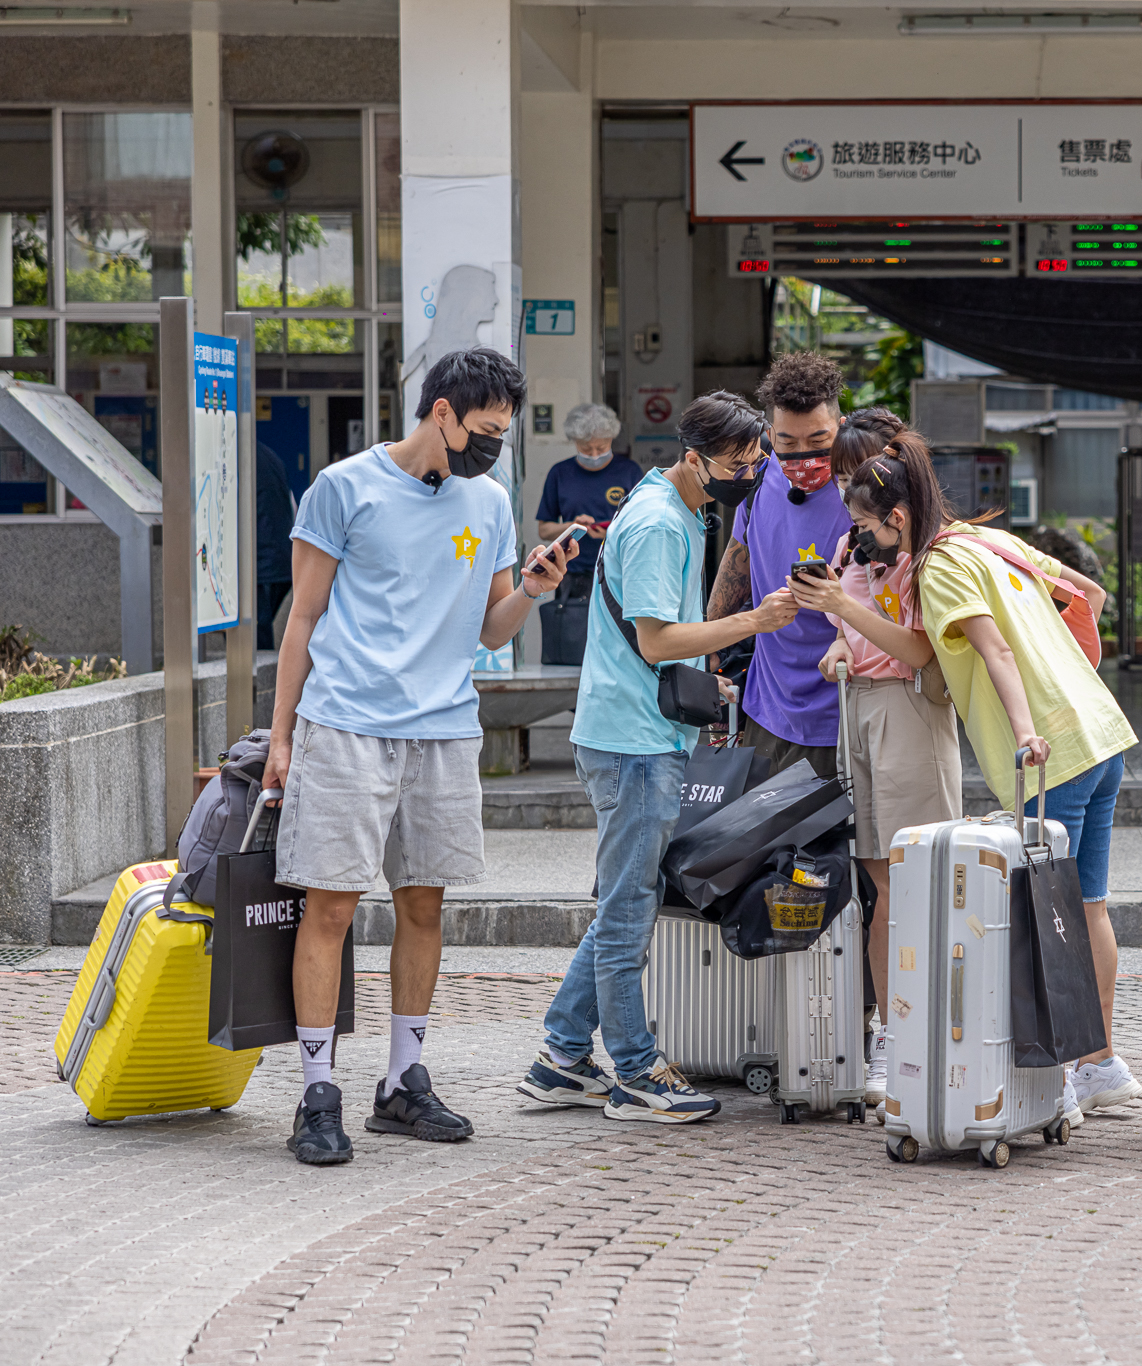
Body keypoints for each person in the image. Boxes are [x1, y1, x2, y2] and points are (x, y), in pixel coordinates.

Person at [263, 347, 577, 1167]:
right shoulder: (344, 487)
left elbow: (492, 629)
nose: (491, 448)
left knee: (425, 908)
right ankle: (316, 1092)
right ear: (440, 411)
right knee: (328, 909)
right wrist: (284, 736)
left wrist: (536, 588)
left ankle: (403, 1082)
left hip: (444, 728)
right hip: (347, 726)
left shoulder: (492, 498)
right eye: (483, 431)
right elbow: (302, 620)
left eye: (502, 435)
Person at [517, 392, 798, 1124]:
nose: (754, 471)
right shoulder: (657, 523)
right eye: (742, 463)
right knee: (628, 910)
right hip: (632, 744)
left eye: (757, 458)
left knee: (624, 902)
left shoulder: (672, 506)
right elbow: (658, 641)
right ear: (696, 457)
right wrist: (755, 620)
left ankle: (562, 1057)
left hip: (636, 734)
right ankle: (636, 1072)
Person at [840, 448, 1142, 1118]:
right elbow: (1088, 596)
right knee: (1088, 905)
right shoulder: (989, 538)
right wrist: (1068, 674)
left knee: (1050, 919)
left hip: (1049, 754)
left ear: (897, 517)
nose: (868, 542)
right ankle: (1101, 1065)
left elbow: (989, 649)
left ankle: (1058, 1081)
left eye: (871, 528)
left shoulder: (941, 565)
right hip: (1099, 728)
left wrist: (1026, 726)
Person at [783, 423, 965, 1109]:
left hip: (908, 711)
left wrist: (843, 612)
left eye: (853, 480)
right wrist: (838, 643)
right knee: (880, 884)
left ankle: (914, 1038)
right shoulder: (854, 547)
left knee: (913, 882)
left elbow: (921, 651)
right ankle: (892, 1031)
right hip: (857, 705)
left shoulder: (935, 554)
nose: (844, 499)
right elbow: (848, 628)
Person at [706, 352, 850, 779]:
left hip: (843, 701)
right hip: (767, 707)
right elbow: (735, 571)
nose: (802, 455)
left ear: (840, 428)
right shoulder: (756, 482)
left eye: (818, 441)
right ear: (770, 434)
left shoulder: (865, 491)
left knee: (836, 845)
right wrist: (706, 651)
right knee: (761, 842)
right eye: (787, 443)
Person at [536, 403, 641, 603]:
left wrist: (612, 531)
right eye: (586, 449)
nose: (594, 455)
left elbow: (642, 524)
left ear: (612, 439)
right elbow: (544, 530)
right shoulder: (560, 473)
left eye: (601, 448)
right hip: (572, 575)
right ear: (575, 442)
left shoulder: (630, 472)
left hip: (619, 571)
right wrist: (571, 527)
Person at [254, 440, 295, 650]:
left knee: (253, 637)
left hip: (261, 562)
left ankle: (260, 682)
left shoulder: (238, 456)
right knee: (258, 631)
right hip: (280, 558)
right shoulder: (268, 454)